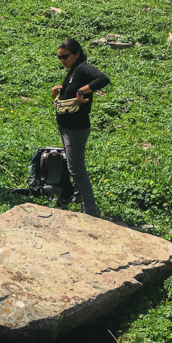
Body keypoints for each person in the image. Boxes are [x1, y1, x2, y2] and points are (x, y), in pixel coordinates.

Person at [50, 38, 110, 218]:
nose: (62, 60)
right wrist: (58, 92)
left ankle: (90, 210)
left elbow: (103, 79)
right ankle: (77, 198)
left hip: (76, 128)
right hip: (66, 126)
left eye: (65, 56)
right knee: (71, 165)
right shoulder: (72, 71)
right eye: (59, 57)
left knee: (76, 168)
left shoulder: (83, 68)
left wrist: (83, 91)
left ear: (76, 54)